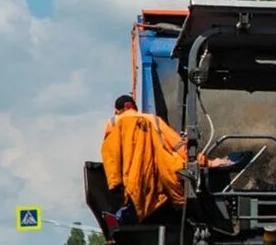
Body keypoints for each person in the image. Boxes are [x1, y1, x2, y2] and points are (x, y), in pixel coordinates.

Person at [100, 93, 234, 222]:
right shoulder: (153, 120)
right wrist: (208, 163)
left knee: (126, 214)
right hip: (157, 185)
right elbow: (179, 148)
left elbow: (110, 156)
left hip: (128, 189)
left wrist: (114, 184)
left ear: (118, 109)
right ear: (132, 105)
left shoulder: (112, 124)